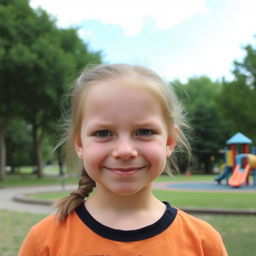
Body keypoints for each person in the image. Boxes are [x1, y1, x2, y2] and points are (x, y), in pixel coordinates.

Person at [18, 64, 228, 255]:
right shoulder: (45, 241)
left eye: (144, 131)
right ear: (80, 144)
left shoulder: (203, 242)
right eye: (103, 133)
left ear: (169, 141)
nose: (125, 150)